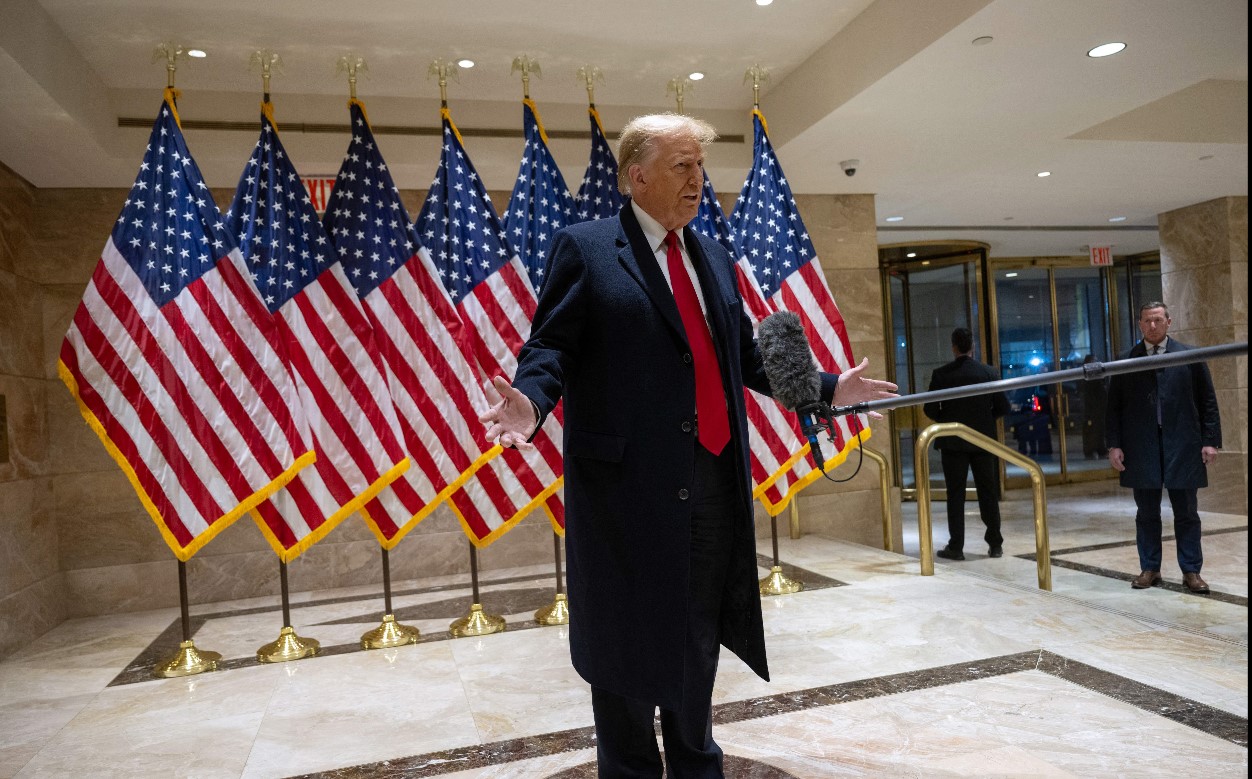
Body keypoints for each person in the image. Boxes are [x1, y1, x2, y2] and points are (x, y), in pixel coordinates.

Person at [479, 113, 897, 777]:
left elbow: (740, 354)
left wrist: (823, 387)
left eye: (700, 166)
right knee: (624, 646)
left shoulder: (711, 255)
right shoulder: (586, 248)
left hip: (709, 482)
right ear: (635, 176)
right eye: (682, 165)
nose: (697, 180)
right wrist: (531, 401)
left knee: (698, 634)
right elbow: (551, 343)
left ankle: (698, 762)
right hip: (624, 494)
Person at [1106, 302, 1221, 594]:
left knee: (1186, 512)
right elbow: (1113, 408)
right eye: (1147, 321)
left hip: (1183, 445)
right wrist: (1114, 445)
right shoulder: (1125, 360)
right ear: (1140, 324)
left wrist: (1210, 440)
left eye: (1158, 320)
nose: (1152, 326)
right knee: (1146, 512)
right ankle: (1150, 568)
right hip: (1140, 446)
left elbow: (1207, 399)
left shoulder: (1190, 356)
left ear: (1169, 321)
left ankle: (1192, 571)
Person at [922, 327, 1010, 561]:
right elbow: (1003, 406)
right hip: (983, 442)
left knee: (955, 495)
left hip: (952, 443)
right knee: (988, 493)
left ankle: (956, 546)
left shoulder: (941, 374)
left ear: (954, 347)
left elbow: (929, 408)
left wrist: (949, 420)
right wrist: (984, 420)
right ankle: (995, 544)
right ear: (973, 347)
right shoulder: (989, 373)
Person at [1080, 354, 1108, 459]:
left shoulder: (1093, 376)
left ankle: (1097, 450)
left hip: (1097, 406)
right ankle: (1092, 451)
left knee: (1098, 430)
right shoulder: (1089, 377)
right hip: (1093, 407)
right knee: (1093, 430)